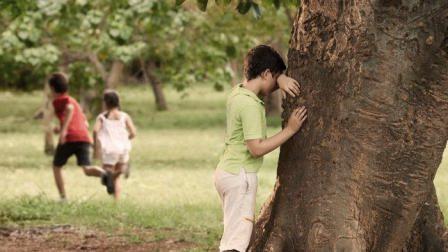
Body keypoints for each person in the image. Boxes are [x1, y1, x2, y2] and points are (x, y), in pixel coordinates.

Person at [214, 45, 307, 252]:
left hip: (226, 172)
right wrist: (290, 130)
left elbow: (261, 75)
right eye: (275, 80)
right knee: (236, 244)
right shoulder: (251, 106)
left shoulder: (237, 93)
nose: (276, 87)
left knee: (232, 235)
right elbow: (256, 148)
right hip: (241, 176)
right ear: (265, 74)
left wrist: (279, 78)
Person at [49, 73, 111, 201]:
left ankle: (63, 198)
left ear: (53, 88)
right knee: (87, 169)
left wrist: (63, 131)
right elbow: (85, 123)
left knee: (56, 167)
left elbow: (69, 110)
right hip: (83, 137)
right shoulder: (74, 101)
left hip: (69, 138)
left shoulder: (60, 101)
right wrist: (61, 128)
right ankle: (105, 174)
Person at [93, 90, 136, 200]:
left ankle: (115, 175)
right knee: (115, 178)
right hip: (123, 148)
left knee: (107, 175)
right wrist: (125, 140)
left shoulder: (102, 117)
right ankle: (116, 201)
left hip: (110, 149)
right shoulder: (124, 116)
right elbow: (133, 133)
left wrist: (96, 147)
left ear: (105, 103)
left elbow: (95, 131)